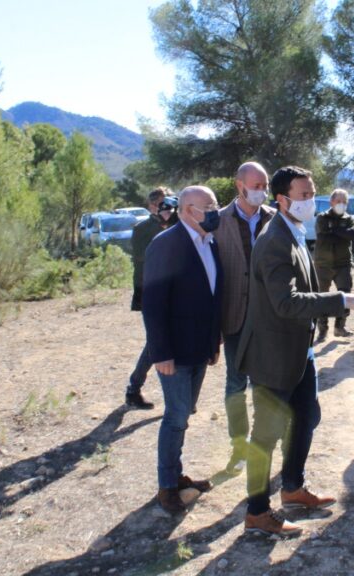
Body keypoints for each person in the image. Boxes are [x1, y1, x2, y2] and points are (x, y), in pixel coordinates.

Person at [236, 166, 354, 537]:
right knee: (265, 434)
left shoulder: (293, 230)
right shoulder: (275, 240)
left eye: (313, 192)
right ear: (281, 200)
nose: (311, 200)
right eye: (303, 195)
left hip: (299, 349)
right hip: (274, 353)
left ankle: (293, 487)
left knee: (306, 416)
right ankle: (258, 512)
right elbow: (286, 302)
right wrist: (343, 298)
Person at [142, 186, 223, 515]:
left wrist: (214, 341)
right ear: (189, 210)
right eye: (210, 206)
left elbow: (214, 296)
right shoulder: (166, 244)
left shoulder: (209, 242)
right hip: (173, 352)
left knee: (184, 414)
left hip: (199, 348)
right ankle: (167, 487)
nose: (216, 211)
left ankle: (176, 475)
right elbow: (153, 304)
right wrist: (160, 353)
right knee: (175, 418)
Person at [215, 162, 276, 472]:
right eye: (255, 185)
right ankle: (239, 447)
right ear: (239, 185)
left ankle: (262, 444)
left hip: (270, 319)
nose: (261, 191)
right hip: (235, 319)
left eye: (264, 186)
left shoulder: (275, 219)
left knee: (266, 385)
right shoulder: (218, 221)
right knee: (236, 385)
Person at [126, 187, 177, 410]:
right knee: (155, 343)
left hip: (174, 293)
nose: (165, 209)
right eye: (161, 204)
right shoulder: (143, 229)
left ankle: (179, 398)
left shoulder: (176, 224)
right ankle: (134, 388)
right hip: (151, 293)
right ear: (152, 206)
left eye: (168, 204)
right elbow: (142, 259)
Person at [314, 188, 354, 342]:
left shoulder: (350, 218)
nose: (341, 204)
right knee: (322, 296)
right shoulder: (322, 217)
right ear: (331, 202)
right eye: (338, 201)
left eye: (344, 202)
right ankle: (322, 329)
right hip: (323, 264)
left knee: (345, 295)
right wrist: (342, 233)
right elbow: (325, 237)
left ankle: (340, 327)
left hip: (343, 264)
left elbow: (353, 234)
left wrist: (334, 230)